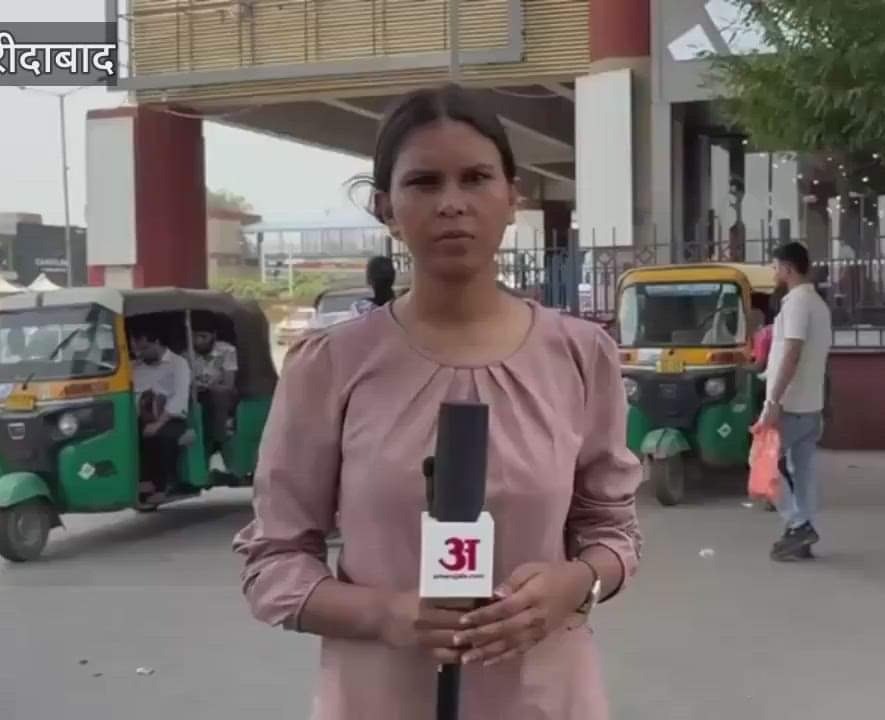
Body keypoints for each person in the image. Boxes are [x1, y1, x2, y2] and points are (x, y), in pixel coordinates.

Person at [232, 84, 642, 719]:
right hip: (379, 698)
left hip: (543, 697)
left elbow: (611, 531)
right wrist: (386, 614)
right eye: (424, 182)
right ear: (386, 207)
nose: (453, 204)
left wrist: (577, 582)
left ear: (513, 196)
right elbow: (274, 562)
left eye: (476, 178)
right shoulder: (331, 366)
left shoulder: (581, 356)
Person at [754, 242, 832, 561]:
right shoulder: (818, 305)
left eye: (775, 267)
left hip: (789, 403)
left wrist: (773, 400)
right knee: (803, 471)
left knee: (761, 461)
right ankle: (803, 536)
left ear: (787, 268)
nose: (774, 272)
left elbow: (792, 352)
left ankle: (798, 524)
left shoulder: (798, 303)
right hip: (811, 402)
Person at [131, 330, 192, 502]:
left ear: (156, 342)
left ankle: (166, 485)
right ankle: (143, 481)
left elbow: (179, 398)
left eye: (142, 349)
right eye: (135, 351)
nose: (139, 354)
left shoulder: (178, 364)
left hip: (170, 416)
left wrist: (157, 423)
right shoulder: (135, 367)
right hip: (140, 415)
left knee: (162, 436)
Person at [188, 324, 239, 459]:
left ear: (214, 335)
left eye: (203, 337)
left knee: (220, 396)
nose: (198, 341)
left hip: (219, 393)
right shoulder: (186, 353)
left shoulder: (226, 350)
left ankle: (219, 442)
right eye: (194, 337)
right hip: (195, 394)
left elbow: (229, 384)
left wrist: (208, 387)